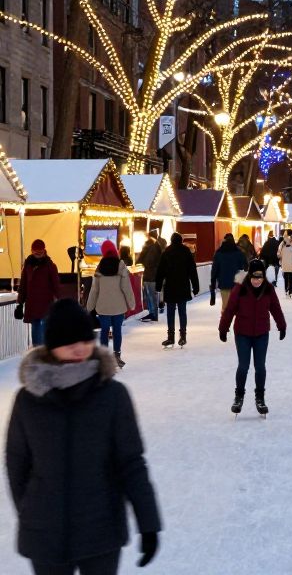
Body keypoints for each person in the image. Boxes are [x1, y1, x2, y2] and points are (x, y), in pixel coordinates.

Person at [6, 299, 161, 573]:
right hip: (46, 534)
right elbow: (17, 464)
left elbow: (131, 463)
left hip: (100, 532)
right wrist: (32, 511)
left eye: (84, 339)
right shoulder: (29, 399)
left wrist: (148, 524)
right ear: (52, 347)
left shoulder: (112, 396)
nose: (79, 348)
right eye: (68, 342)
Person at [219, 259, 286, 417]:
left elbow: (275, 307)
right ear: (249, 275)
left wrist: (281, 325)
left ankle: (260, 398)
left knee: (260, 367)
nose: (257, 280)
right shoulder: (240, 289)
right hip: (242, 333)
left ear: (263, 276)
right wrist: (223, 328)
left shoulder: (268, 289)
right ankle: (239, 396)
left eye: (260, 277)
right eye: (254, 277)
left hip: (262, 333)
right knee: (243, 366)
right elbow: (229, 310)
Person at [86, 240, 137, 369]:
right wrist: (131, 304)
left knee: (104, 331)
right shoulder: (121, 265)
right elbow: (126, 287)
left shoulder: (100, 267)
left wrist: (89, 306)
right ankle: (117, 355)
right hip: (119, 306)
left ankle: (103, 358)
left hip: (103, 307)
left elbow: (94, 289)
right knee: (117, 331)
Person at [155, 233, 200, 348]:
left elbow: (160, 271)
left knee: (170, 312)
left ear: (171, 240)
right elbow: (192, 271)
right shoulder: (186, 252)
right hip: (183, 286)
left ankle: (171, 337)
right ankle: (183, 336)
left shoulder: (166, 252)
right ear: (181, 240)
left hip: (170, 286)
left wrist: (158, 286)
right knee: (182, 312)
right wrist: (196, 287)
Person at [16, 238, 61, 346]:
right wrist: (20, 303)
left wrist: (60, 302)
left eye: (40, 252)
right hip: (32, 302)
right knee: (35, 326)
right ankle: (37, 350)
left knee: (45, 327)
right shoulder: (28, 266)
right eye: (36, 252)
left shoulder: (50, 266)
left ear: (44, 251)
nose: (38, 255)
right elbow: (23, 285)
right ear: (32, 251)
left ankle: (44, 351)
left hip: (46, 302)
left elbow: (56, 285)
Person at [211, 234, 247, 311]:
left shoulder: (218, 253)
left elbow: (214, 270)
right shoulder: (239, 252)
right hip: (237, 282)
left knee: (225, 306)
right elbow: (245, 266)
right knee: (237, 305)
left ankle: (225, 321)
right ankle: (238, 321)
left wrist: (213, 283)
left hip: (223, 282)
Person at [138, 231, 163, 322]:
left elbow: (149, 261)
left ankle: (153, 314)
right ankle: (152, 313)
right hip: (153, 275)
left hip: (151, 275)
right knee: (151, 295)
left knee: (151, 295)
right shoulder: (156, 245)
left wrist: (142, 261)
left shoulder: (152, 246)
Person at [277, 232, 292, 297]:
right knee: (291, 278)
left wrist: (281, 258)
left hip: (285, 263)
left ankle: (287, 290)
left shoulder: (282, 244)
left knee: (286, 278)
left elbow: (278, 254)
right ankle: (290, 291)